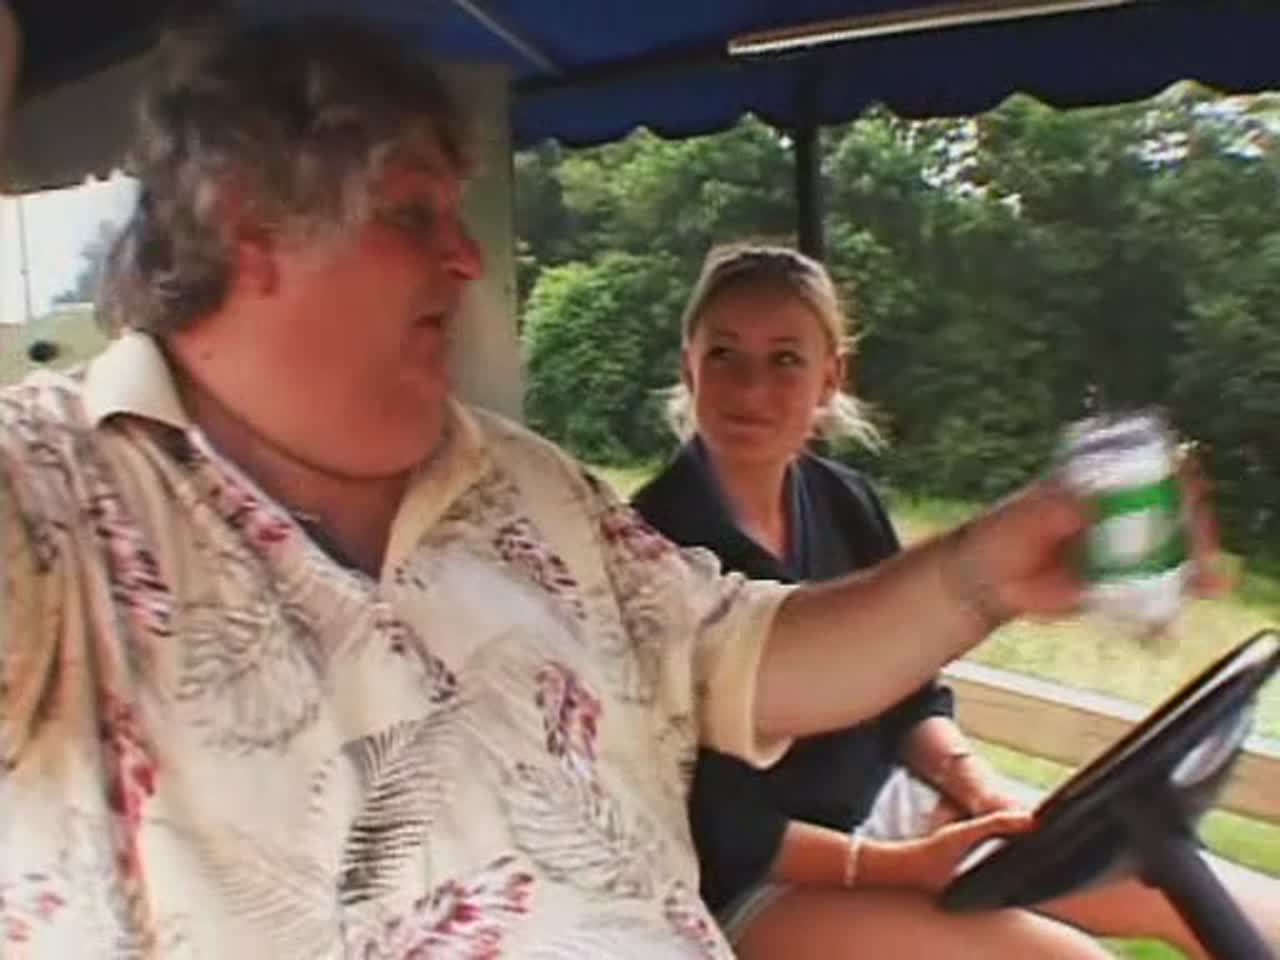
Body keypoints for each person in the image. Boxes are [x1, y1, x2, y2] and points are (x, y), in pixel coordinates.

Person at [0, 13, 1225, 959]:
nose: (466, 256)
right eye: (414, 213)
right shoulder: (54, 501)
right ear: (249, 222)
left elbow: (748, 656)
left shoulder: (523, 482)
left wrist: (981, 572)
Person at [632, 243, 1277, 959]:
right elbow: (717, 822)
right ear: (689, 366)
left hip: (891, 805)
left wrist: (971, 784)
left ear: (829, 378)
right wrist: (897, 866)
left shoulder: (843, 499)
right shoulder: (646, 547)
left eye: (785, 359)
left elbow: (909, 697)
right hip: (748, 880)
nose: (751, 387)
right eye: (724, 354)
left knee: (1200, 893)